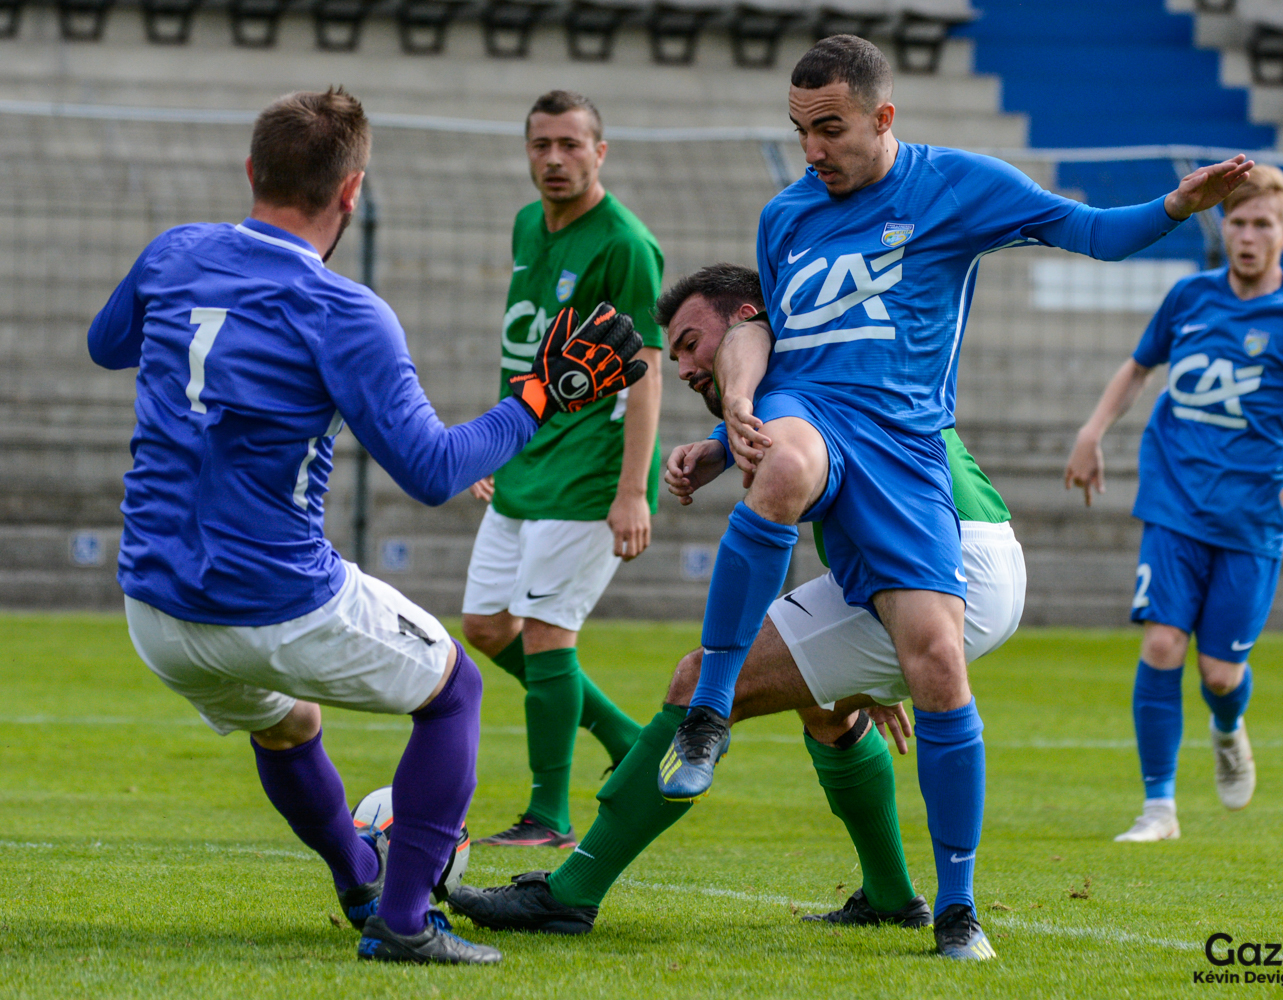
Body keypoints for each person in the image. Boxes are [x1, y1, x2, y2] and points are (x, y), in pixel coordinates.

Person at [654, 36, 1252, 959]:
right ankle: (709, 714)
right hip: (812, 419)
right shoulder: (785, 215)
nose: (812, 150)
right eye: (800, 129)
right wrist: (733, 434)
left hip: (902, 453)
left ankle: (958, 907)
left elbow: (1092, 232)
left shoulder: (957, 187)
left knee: (937, 663)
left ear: (883, 117)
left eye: (831, 129)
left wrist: (1174, 206)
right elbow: (771, 339)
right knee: (786, 466)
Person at [86, 87, 645, 964]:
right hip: (274, 597)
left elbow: (107, 344)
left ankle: (360, 882)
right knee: (455, 690)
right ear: (351, 192)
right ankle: (406, 921)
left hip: (153, 607)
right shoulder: (343, 311)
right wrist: (539, 396)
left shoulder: (174, 254)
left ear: (251, 170)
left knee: (288, 724)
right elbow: (434, 471)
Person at [445, 263, 1024, 953]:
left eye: (691, 343)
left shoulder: (788, 382)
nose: (685, 366)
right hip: (968, 555)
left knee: (700, 681)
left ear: (747, 322)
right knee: (825, 707)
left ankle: (569, 892)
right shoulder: (831, 365)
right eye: (676, 354)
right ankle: (891, 897)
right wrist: (722, 446)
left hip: (949, 566)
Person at [1063, 164, 1283, 844]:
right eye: (1237, 222)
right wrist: (1092, 431)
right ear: (1222, 228)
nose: (1248, 236)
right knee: (1162, 643)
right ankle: (1158, 809)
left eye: (1262, 225)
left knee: (1220, 674)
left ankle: (1228, 726)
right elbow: (1139, 366)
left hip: (1253, 513)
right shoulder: (1189, 297)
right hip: (1174, 498)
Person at [461, 90, 664, 851]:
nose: (554, 158)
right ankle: (630, 739)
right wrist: (497, 441)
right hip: (529, 456)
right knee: (487, 626)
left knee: (549, 632)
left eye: (571, 144)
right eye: (541, 144)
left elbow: (645, 372)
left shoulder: (626, 245)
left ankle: (548, 816)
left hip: (589, 471)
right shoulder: (527, 224)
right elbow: (526, 352)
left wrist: (632, 490)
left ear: (599, 152)